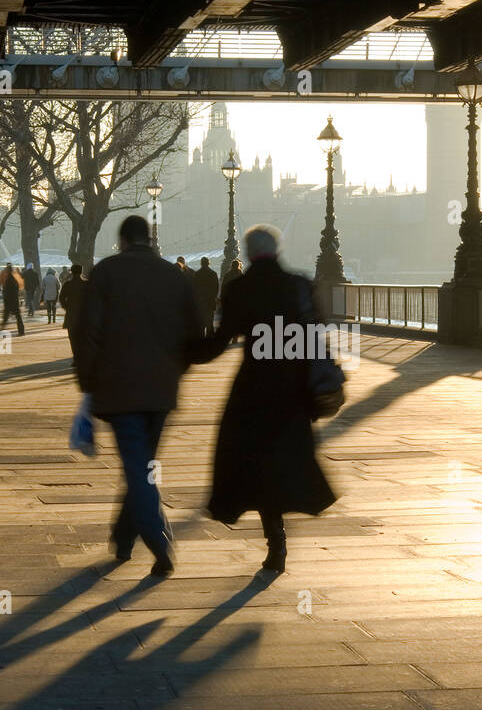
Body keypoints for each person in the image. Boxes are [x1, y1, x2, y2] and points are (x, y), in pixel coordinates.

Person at [192, 225, 337, 573]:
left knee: (253, 463)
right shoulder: (299, 285)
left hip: (254, 390)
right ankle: (283, 524)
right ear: (277, 249)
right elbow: (318, 332)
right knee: (287, 460)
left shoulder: (240, 288)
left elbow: (220, 340)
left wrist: (182, 353)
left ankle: (275, 536)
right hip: (294, 390)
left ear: (246, 252)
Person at [71, 215, 201, 576]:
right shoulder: (174, 275)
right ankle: (124, 536)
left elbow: (87, 333)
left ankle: (159, 546)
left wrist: (88, 384)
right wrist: (175, 370)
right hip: (161, 391)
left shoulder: (106, 273)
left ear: (123, 241)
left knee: (138, 467)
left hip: (119, 388)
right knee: (140, 464)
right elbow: (194, 331)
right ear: (149, 240)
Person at [193, 256, 220, 336]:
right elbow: (216, 287)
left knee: (201, 320)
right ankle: (210, 337)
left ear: (201, 263)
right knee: (210, 321)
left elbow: (194, 287)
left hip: (201, 301)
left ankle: (201, 336)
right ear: (208, 263)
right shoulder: (213, 274)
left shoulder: (197, 274)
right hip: (210, 301)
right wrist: (214, 297)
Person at [0, 262, 25, 335]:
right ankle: (21, 331)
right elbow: (20, 286)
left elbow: (1, 284)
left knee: (6, 316)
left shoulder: (7, 278)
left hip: (9, 300)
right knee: (18, 316)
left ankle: (1, 330)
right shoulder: (15, 277)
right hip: (15, 299)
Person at [60, 263, 86, 331]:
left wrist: (66, 307)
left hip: (71, 312)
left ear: (72, 272)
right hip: (83, 313)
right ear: (81, 272)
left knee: (72, 336)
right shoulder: (86, 284)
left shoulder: (67, 285)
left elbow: (61, 298)